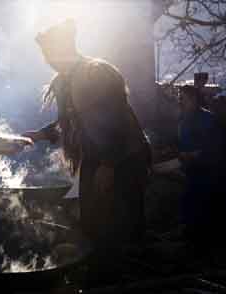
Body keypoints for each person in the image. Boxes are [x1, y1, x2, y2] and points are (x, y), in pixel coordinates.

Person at [23, 19, 152, 252]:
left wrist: (109, 164)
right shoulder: (64, 80)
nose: (48, 60)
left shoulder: (94, 72)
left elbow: (114, 120)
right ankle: (101, 267)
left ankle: (130, 274)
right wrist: (40, 135)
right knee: (93, 219)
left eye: (51, 52)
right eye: (46, 55)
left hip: (123, 158)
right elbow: (70, 122)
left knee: (121, 222)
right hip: (98, 156)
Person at [177, 86, 226, 247]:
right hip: (191, 168)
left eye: (183, 98)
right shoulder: (184, 118)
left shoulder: (207, 119)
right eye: (180, 98)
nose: (181, 101)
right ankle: (191, 232)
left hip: (206, 168)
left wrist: (195, 154)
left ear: (194, 99)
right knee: (191, 199)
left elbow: (215, 145)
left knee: (203, 201)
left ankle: (205, 238)